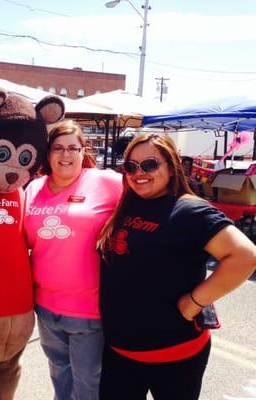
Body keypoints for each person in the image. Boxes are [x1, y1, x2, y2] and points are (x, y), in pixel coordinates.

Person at [96, 133, 256, 400]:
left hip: (174, 355)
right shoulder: (128, 205)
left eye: (149, 164)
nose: (139, 173)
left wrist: (194, 301)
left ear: (171, 168)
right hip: (119, 352)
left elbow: (245, 256)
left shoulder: (189, 211)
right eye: (131, 167)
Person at [24, 120, 123, 400]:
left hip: (87, 309)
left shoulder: (105, 181)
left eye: (72, 148)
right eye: (58, 148)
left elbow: (150, 194)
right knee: (59, 374)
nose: (65, 155)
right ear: (48, 153)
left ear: (83, 151)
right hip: (44, 307)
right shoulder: (33, 188)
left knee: (88, 384)